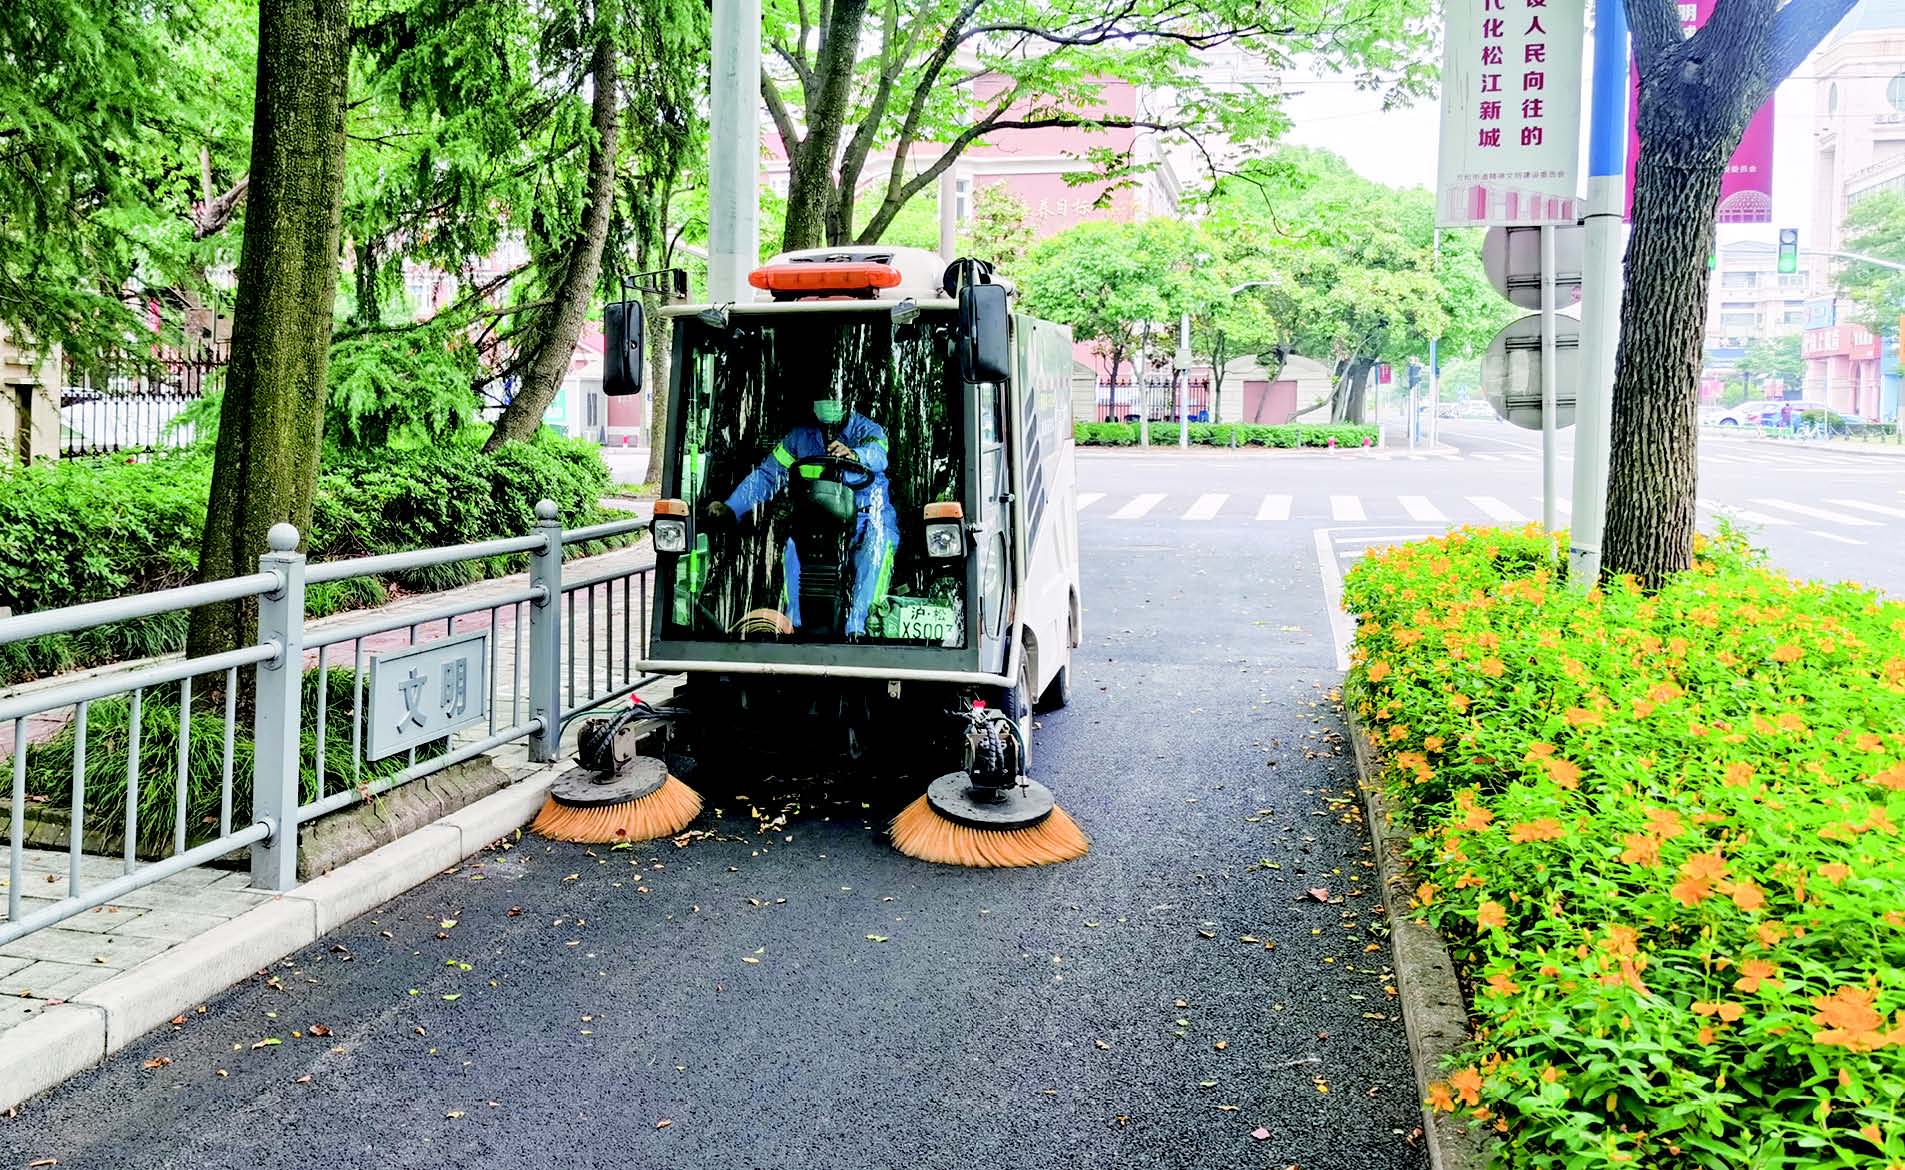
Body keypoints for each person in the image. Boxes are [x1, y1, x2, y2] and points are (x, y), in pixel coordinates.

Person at [704, 385, 899, 637]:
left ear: (849, 398)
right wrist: (731, 508)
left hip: (868, 516)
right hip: (818, 521)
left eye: (834, 396)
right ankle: (795, 624)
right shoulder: (798, 439)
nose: (828, 402)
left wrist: (855, 454)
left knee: (877, 546)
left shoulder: (868, 431)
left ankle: (859, 628)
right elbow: (766, 476)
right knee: (792, 548)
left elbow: (878, 455)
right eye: (823, 396)